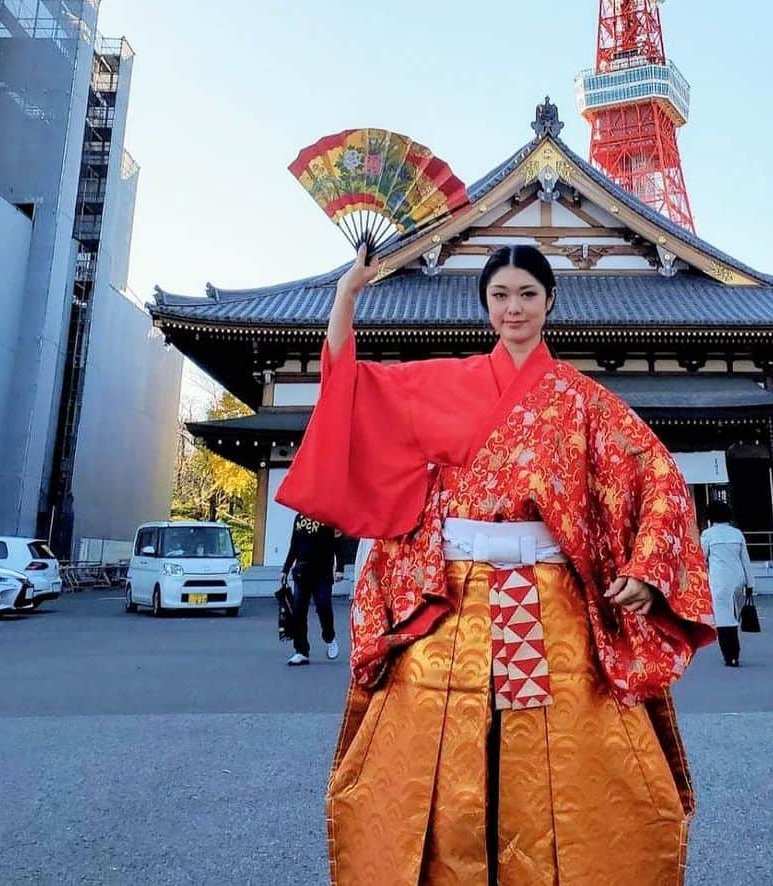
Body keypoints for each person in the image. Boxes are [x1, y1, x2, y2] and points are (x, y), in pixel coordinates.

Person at [276, 243, 715, 884]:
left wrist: (649, 566)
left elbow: (657, 474)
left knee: (561, 754)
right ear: (485, 305)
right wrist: (347, 296)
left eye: (527, 294)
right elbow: (349, 388)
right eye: (501, 295)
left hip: (550, 597)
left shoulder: (582, 400)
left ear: (549, 302)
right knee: (438, 745)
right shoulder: (441, 382)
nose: (514, 308)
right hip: (454, 594)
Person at [281, 512, 344, 665]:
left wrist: (340, 568)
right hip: (301, 572)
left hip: (322, 573)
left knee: (323, 606)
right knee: (298, 612)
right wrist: (285, 569)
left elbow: (339, 545)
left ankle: (329, 637)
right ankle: (301, 650)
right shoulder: (299, 518)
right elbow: (293, 546)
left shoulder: (330, 517)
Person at [700, 500, 754, 667]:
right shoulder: (737, 534)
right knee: (734, 617)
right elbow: (746, 560)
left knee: (723, 619)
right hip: (739, 579)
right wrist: (750, 583)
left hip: (719, 580)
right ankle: (735, 653)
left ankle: (729, 655)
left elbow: (701, 558)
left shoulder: (708, 535)